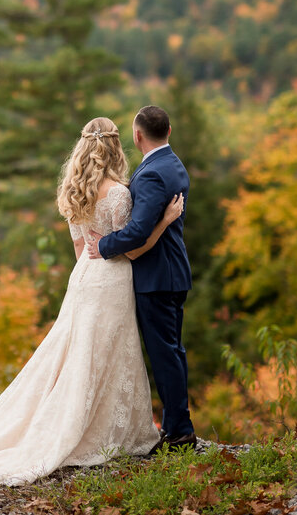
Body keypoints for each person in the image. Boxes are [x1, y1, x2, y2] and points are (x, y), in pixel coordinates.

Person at [0, 116, 183, 485]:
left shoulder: (73, 190)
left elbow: (81, 248)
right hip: (112, 278)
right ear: (115, 147)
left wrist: (89, 273)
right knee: (111, 354)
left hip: (82, 280)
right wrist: (166, 220)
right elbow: (134, 249)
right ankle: (107, 431)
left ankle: (81, 423)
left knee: (79, 354)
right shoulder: (120, 194)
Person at [84, 104, 196, 452]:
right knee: (173, 353)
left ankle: (179, 433)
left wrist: (103, 245)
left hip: (156, 278)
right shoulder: (174, 165)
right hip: (173, 273)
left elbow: (136, 233)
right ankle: (179, 426)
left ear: (137, 136)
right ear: (169, 131)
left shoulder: (150, 174)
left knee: (165, 356)